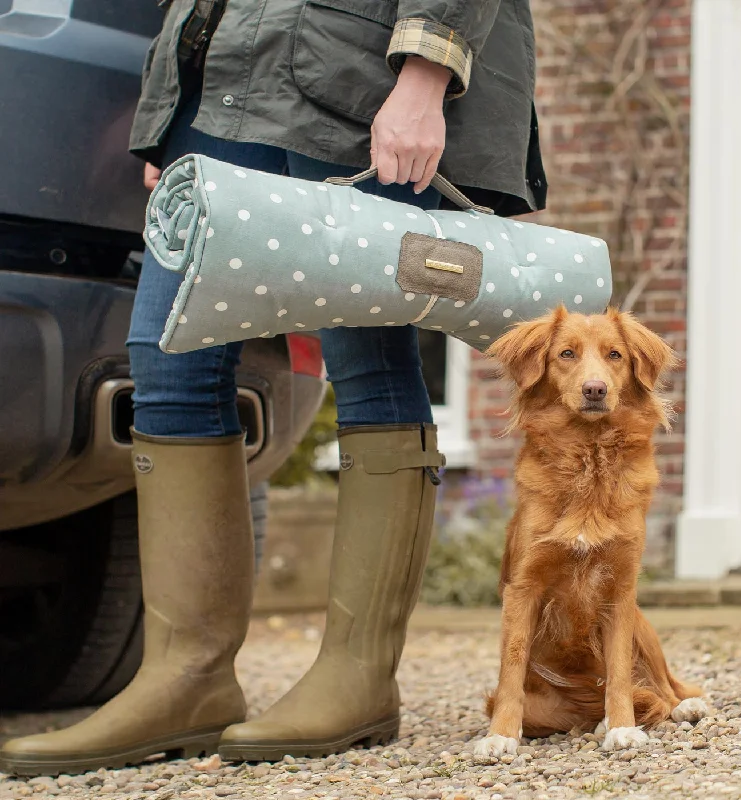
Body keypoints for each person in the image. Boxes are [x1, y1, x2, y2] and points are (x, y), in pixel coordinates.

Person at [0, 0, 547, 774]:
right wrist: (175, 104)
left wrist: (427, 74)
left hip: (357, 73)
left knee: (366, 349)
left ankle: (357, 678)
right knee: (165, 359)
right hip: (225, 82)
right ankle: (185, 678)